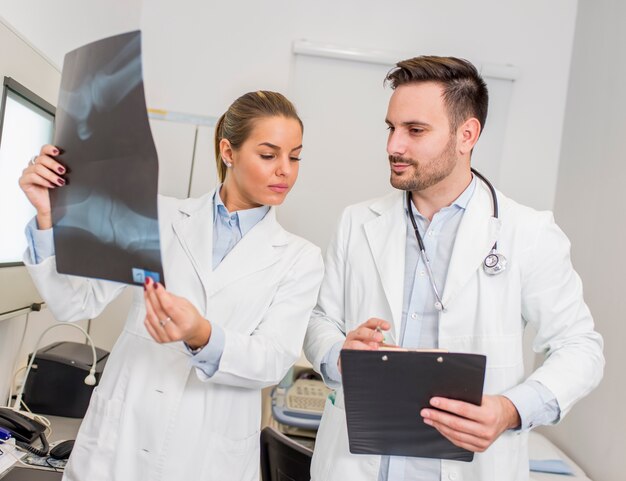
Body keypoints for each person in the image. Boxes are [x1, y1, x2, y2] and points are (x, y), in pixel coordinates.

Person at [303, 56, 604, 481]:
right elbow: (321, 321)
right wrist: (339, 354)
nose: (393, 146)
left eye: (415, 130)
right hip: (356, 467)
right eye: (391, 128)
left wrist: (510, 409)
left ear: (467, 135)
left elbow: (581, 348)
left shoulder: (527, 232)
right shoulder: (358, 222)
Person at [19, 90, 324, 481]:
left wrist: (203, 335)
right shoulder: (156, 217)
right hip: (118, 450)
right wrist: (47, 217)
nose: (286, 170)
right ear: (228, 152)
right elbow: (76, 303)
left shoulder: (299, 258)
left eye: (294, 156)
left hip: (207, 460)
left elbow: (272, 360)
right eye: (269, 155)